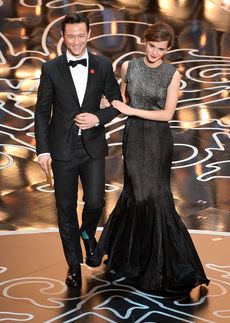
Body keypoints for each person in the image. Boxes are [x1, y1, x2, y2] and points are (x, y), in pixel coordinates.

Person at [89, 22, 210, 294]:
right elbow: (119, 100)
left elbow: (167, 114)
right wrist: (108, 104)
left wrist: (130, 110)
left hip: (157, 140)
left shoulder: (171, 74)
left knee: (154, 196)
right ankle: (132, 260)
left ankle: (168, 265)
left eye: (162, 49)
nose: (156, 53)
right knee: (135, 194)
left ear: (168, 50)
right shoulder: (128, 67)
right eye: (152, 46)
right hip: (133, 138)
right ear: (145, 42)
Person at [34, 12, 121, 288]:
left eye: (80, 35)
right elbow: (41, 112)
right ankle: (73, 265)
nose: (75, 41)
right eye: (70, 35)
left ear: (89, 34)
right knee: (65, 208)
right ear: (62, 36)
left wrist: (98, 117)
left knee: (95, 202)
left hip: (92, 146)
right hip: (62, 150)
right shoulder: (51, 69)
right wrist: (42, 150)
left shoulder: (103, 65)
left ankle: (87, 234)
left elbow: (117, 101)